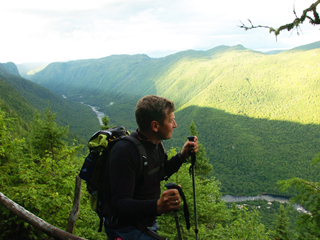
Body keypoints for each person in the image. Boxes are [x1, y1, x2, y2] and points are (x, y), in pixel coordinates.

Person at [105, 95, 198, 240]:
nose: (175, 124)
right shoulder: (125, 152)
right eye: (171, 120)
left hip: (147, 224)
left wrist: (182, 156)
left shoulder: (155, 144)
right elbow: (120, 204)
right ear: (155, 126)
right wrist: (157, 206)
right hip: (125, 230)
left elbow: (159, 173)